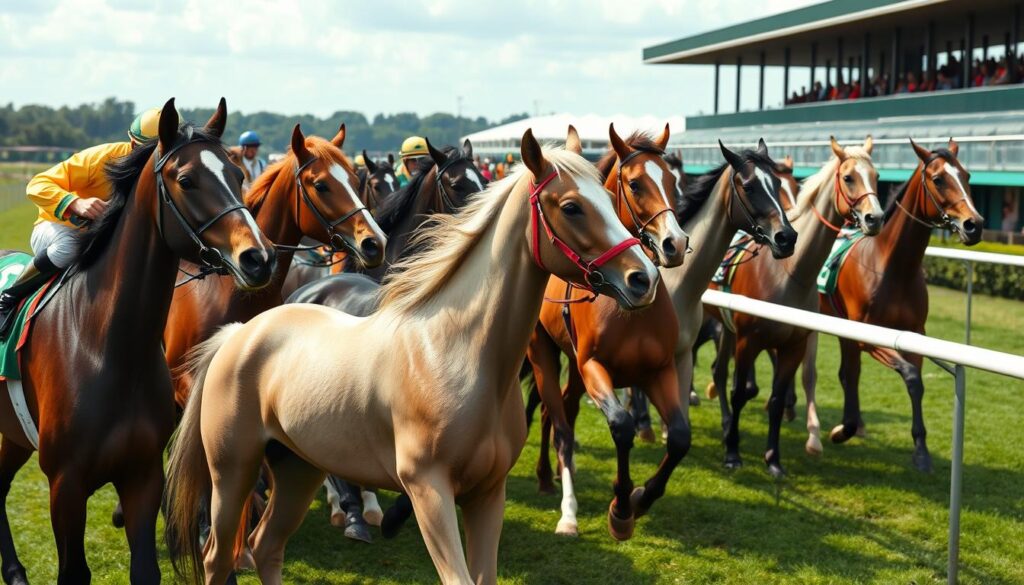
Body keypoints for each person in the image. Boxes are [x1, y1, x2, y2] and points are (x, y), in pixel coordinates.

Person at [0, 107, 171, 337]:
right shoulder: (99, 158)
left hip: (104, 240)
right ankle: (9, 297)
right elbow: (37, 184)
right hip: (57, 229)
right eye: (148, 153)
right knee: (69, 247)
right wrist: (75, 203)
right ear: (132, 144)